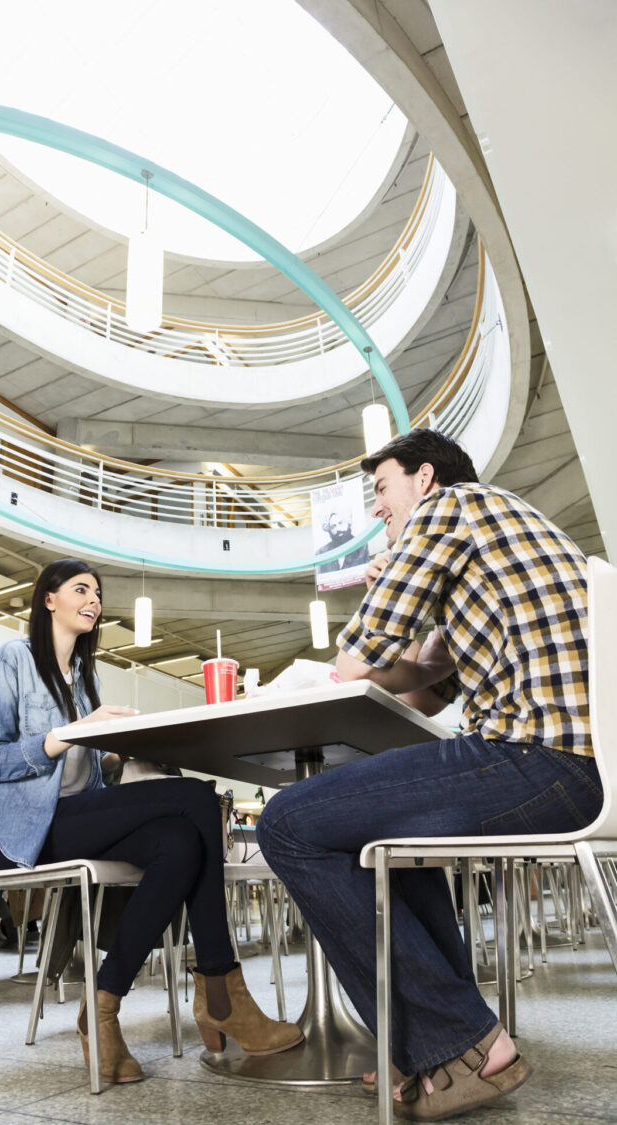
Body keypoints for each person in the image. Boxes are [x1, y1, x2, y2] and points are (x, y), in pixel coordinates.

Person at [257, 429, 602, 1121]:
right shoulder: (499, 527)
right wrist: (405, 625)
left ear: (423, 478)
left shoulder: (452, 510)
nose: (378, 510)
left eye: (381, 490)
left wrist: (385, 584)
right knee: (379, 827)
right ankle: (431, 1042)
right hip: (574, 764)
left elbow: (356, 662)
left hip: (538, 756)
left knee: (287, 821)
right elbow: (423, 687)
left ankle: (459, 1038)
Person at [0, 558, 302, 1084]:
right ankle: (221, 991)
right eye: (81, 589)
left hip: (72, 820)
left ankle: (101, 1008)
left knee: (180, 842)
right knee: (194, 797)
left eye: (98, 593)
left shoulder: (85, 676)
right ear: (48, 600)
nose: (93, 600)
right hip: (23, 830)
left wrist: (115, 754)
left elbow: (87, 779)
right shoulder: (10, 659)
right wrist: (71, 733)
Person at [315, 508, 371, 575]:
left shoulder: (362, 546)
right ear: (329, 530)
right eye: (333, 526)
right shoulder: (321, 553)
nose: (338, 529)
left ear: (348, 523)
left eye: (340, 523)